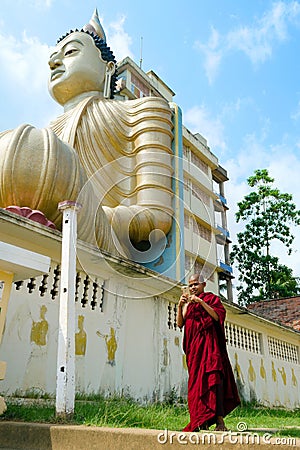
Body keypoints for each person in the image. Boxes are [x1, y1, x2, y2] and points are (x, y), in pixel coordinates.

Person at [0, 10, 174, 261]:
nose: (55, 63)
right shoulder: (45, 134)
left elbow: (157, 217)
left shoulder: (143, 110)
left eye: (70, 52)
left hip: (100, 237)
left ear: (109, 67)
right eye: (52, 59)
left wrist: (87, 214)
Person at [177, 273, 240, 432]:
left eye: (196, 284)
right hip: (195, 352)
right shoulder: (188, 305)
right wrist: (180, 306)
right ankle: (201, 421)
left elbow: (217, 316)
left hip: (210, 349)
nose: (193, 287)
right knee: (197, 386)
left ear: (204, 285)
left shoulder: (211, 299)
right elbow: (180, 323)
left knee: (214, 381)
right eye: (190, 285)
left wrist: (201, 302)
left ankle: (220, 422)